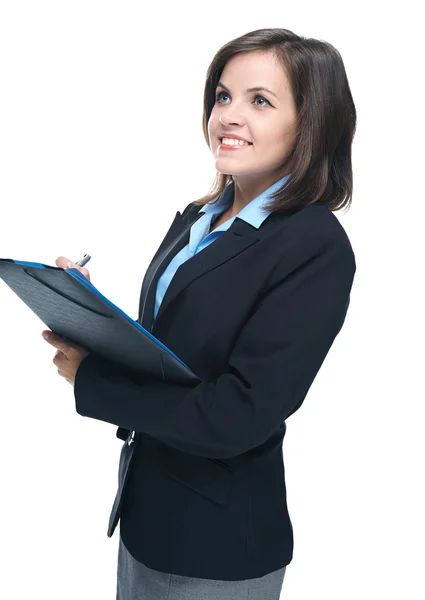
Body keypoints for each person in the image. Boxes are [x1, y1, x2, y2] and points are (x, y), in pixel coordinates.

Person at [43, 27, 357, 600]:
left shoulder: (314, 244)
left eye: (259, 100)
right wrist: (87, 313)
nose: (229, 116)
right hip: (148, 517)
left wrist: (94, 383)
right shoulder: (199, 216)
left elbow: (237, 415)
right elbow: (174, 351)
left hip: (215, 545)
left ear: (311, 122)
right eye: (222, 95)